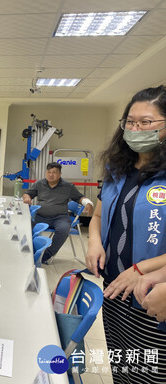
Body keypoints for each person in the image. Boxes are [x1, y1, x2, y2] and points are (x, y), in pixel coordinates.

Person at [86, 85, 166, 383]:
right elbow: (97, 216)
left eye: (146, 122)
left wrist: (140, 269)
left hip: (152, 295)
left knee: (150, 374)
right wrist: (94, 242)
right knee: (122, 367)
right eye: (130, 122)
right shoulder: (117, 169)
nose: (135, 129)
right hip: (114, 288)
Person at [22, 162, 93, 264]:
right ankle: (27, 252)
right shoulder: (40, 184)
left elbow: (79, 197)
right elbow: (28, 193)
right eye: (49, 172)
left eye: (54, 172)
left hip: (60, 217)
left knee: (64, 229)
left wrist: (88, 203)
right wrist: (27, 198)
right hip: (40, 216)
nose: (51, 175)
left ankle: (47, 254)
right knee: (25, 226)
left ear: (60, 174)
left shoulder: (68, 186)